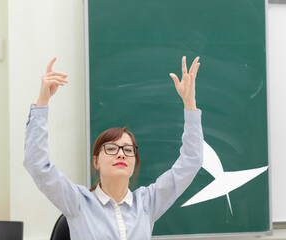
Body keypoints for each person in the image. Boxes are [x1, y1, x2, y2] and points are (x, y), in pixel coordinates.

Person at [24, 56, 203, 240]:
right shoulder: (78, 202)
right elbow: (37, 164)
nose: (120, 154)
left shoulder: (147, 203)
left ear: (134, 162)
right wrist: (43, 100)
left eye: (127, 150)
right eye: (111, 148)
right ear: (96, 161)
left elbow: (191, 162)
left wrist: (190, 105)